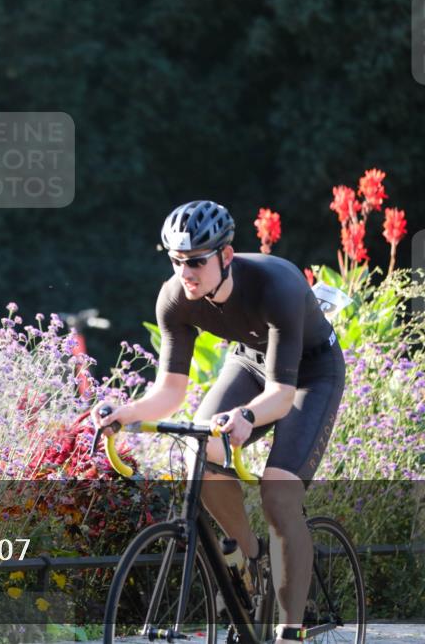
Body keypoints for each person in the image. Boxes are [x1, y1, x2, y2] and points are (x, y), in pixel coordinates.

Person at [95, 200, 346, 644]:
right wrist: (125, 414)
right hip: (249, 363)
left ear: (226, 255)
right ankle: (250, 559)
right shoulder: (175, 298)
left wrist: (246, 415)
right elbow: (170, 392)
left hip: (311, 374)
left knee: (278, 493)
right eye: (176, 261)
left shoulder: (277, 285)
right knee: (201, 450)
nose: (185, 272)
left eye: (196, 262)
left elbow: (281, 395)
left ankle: (290, 631)